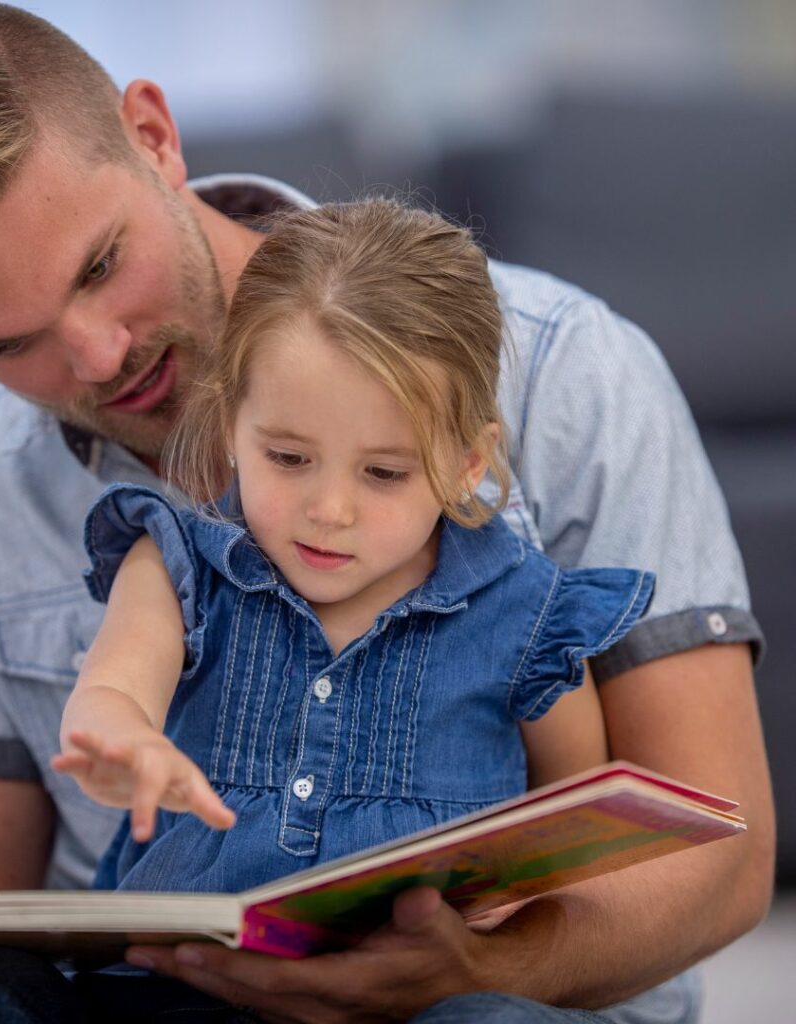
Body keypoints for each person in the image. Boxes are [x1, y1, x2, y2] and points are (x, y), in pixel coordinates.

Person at [0, 3, 773, 1023]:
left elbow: (720, 852)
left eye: (97, 267)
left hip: (484, 1001)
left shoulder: (566, 369)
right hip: (163, 996)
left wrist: (478, 967)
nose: (95, 356)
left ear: (154, 135)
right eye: (6, 346)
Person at [52, 199, 653, 908]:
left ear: (467, 463)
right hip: (182, 981)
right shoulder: (177, 566)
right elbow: (111, 692)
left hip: (433, 991)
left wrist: (515, 908)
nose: (330, 511)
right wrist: (122, 743)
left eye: (384, 473)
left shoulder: (526, 616)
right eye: (288, 456)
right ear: (230, 425)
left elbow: (572, 813)